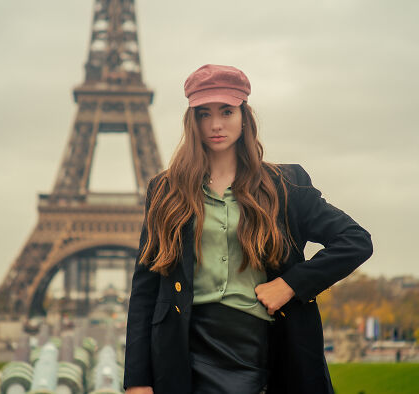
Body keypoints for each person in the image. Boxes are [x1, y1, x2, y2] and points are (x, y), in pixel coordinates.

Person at [124, 64, 373, 394]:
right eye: (203, 114)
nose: (215, 124)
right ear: (191, 120)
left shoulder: (286, 185)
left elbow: (355, 241)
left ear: (245, 115)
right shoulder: (166, 190)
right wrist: (137, 381)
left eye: (226, 111)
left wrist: (290, 284)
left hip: (260, 349)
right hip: (185, 352)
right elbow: (145, 289)